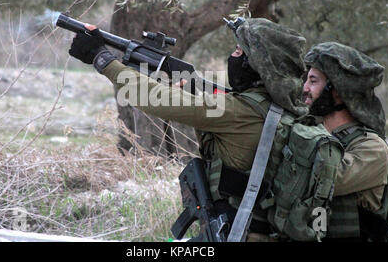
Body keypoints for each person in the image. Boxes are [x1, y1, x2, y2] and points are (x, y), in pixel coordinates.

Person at [67, 18, 341, 241]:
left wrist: (101, 58)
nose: (231, 57)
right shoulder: (284, 110)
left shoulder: (236, 110)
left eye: (238, 52)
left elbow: (153, 99)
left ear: (255, 64)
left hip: (236, 232)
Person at [303, 42, 388, 241]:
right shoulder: (310, 131)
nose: (305, 88)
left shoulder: (373, 148)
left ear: (336, 90)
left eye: (313, 81)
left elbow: (323, 180)